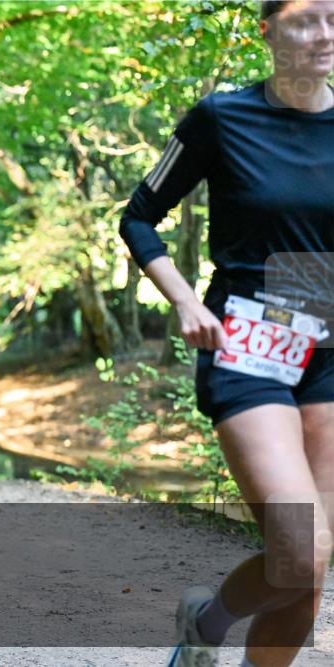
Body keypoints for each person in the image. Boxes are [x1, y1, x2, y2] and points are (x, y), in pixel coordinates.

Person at [119, 2, 334, 665]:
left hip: (328, 356)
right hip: (249, 346)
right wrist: (184, 300)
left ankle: (204, 632)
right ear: (267, 32)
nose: (324, 34)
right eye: (305, 21)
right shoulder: (223, 117)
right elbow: (139, 217)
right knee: (303, 548)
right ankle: (205, 622)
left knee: (307, 573)